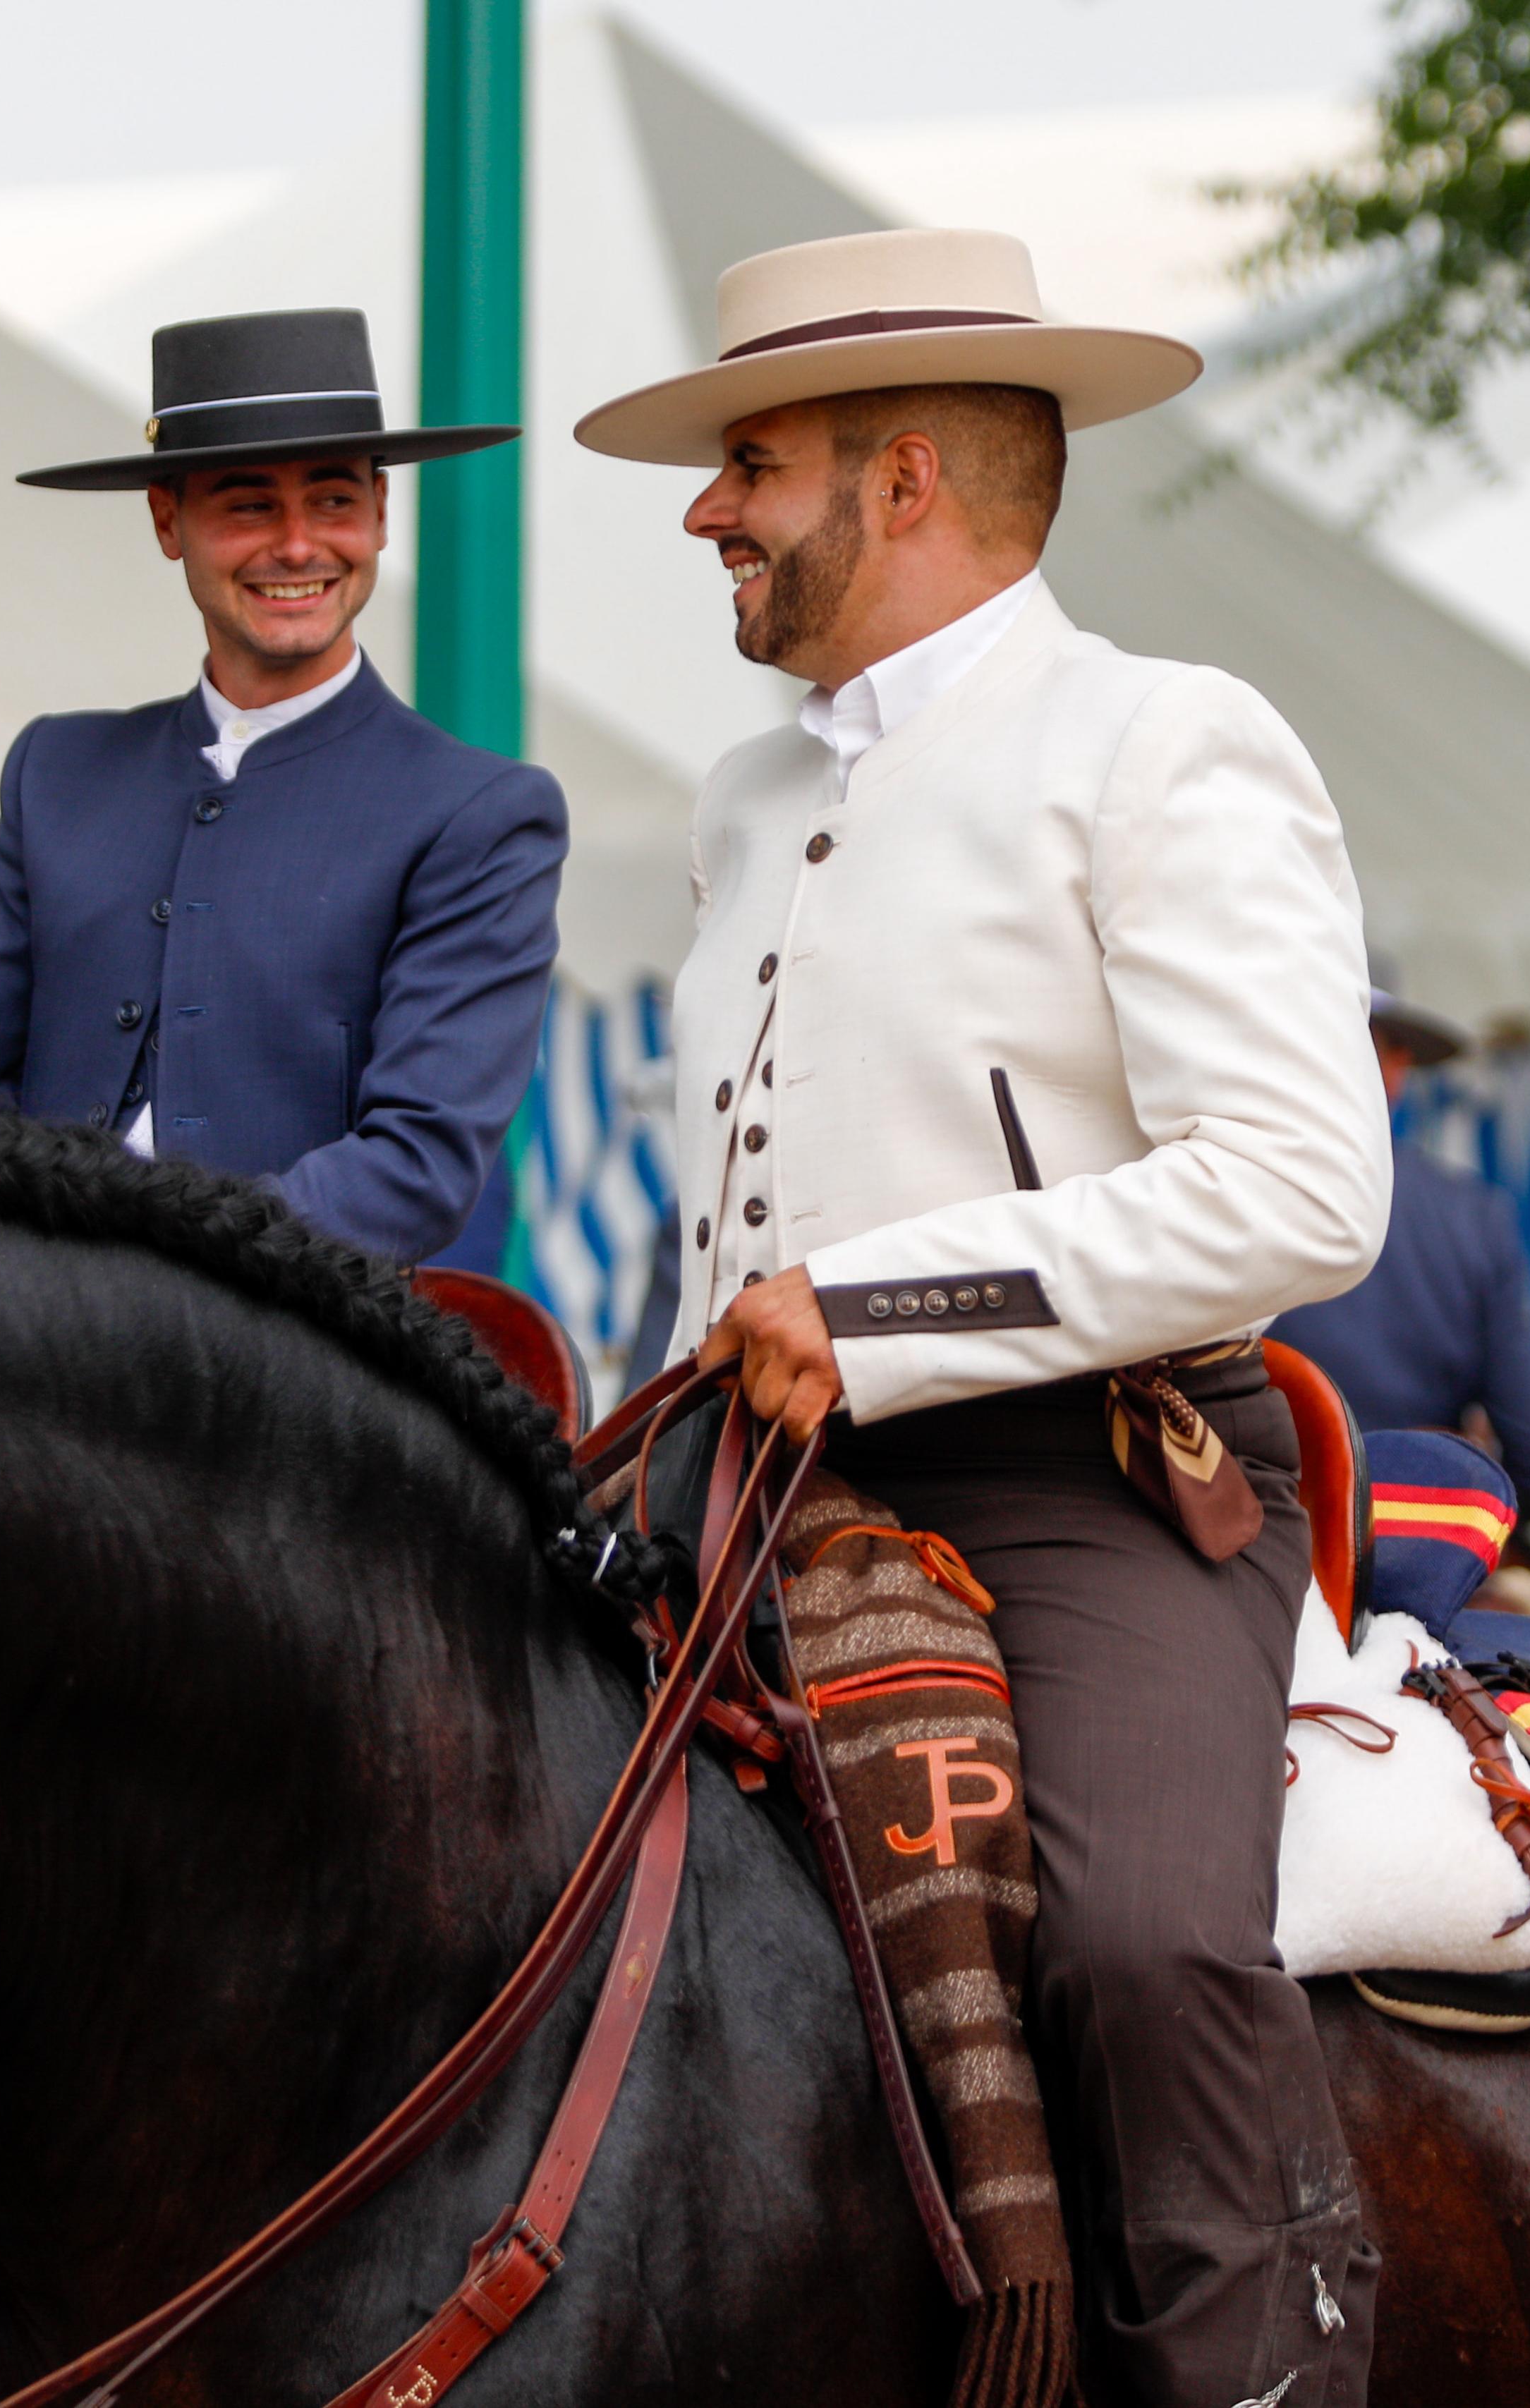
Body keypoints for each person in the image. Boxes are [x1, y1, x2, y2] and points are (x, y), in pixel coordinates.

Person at [582, 226, 1387, 2406]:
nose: (702, 510)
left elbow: (1305, 1186)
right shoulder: (743, 797)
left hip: (1085, 1481)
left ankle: (1261, 2379)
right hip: (735, 1476)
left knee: (1133, 1944)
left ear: (903, 476)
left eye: (743, 461)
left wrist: (871, 1305)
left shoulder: (1161, 743)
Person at [0, 308, 566, 1266]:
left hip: (304, 1366)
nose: (297, 546)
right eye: (249, 506)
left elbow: (415, 1166)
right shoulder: (56, 773)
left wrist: (147, 1264)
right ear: (169, 519)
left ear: (380, 510)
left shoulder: (479, 813)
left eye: (331, 502)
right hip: (18, 1338)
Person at [1269, 978, 1530, 1514]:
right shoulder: (1472, 1217)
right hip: (1405, 1551)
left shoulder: (1217, 1188)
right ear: (1397, 1071)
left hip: (1245, 1542)